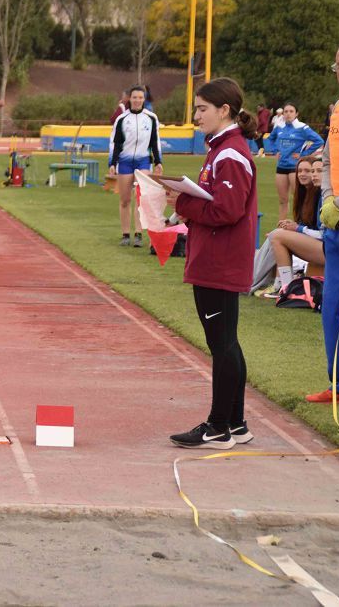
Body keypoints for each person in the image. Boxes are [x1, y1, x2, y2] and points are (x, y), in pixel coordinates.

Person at [167, 77, 259, 449]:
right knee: (227, 343)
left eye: (202, 109)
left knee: (221, 345)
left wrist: (181, 202)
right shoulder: (221, 149)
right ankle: (235, 423)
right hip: (216, 257)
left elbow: (226, 209)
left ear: (224, 110)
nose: (196, 116)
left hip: (219, 261)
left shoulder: (230, 153)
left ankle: (218, 426)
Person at [306, 37, 339, 409]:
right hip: (335, 225)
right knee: (335, 305)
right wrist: (327, 199)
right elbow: (327, 159)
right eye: (338, 66)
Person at [108, 85, 162, 247]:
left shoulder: (151, 118)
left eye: (140, 97)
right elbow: (115, 143)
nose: (137, 100)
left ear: (144, 99)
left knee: (141, 197)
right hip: (124, 161)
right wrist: (112, 163)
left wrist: (158, 161)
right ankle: (125, 234)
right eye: (134, 97)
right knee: (125, 199)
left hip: (143, 161)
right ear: (129, 99)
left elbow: (155, 141)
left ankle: (138, 234)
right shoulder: (122, 119)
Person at [265, 155, 324, 295]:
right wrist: (294, 228)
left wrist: (297, 229)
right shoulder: (306, 193)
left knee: (277, 236)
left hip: (330, 249)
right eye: (300, 171)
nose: (304, 174)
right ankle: (281, 284)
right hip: (323, 246)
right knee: (276, 236)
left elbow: (323, 234)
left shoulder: (323, 195)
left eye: (317, 171)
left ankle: (284, 287)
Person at [263, 102, 324, 221]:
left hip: (295, 167)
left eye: (291, 111)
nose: (288, 114)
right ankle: (280, 226)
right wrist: (275, 151)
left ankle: (299, 224)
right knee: (282, 200)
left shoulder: (302, 127)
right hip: (281, 167)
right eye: (286, 111)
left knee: (299, 198)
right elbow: (270, 139)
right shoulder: (279, 126)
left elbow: (319, 141)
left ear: (296, 113)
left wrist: (303, 155)